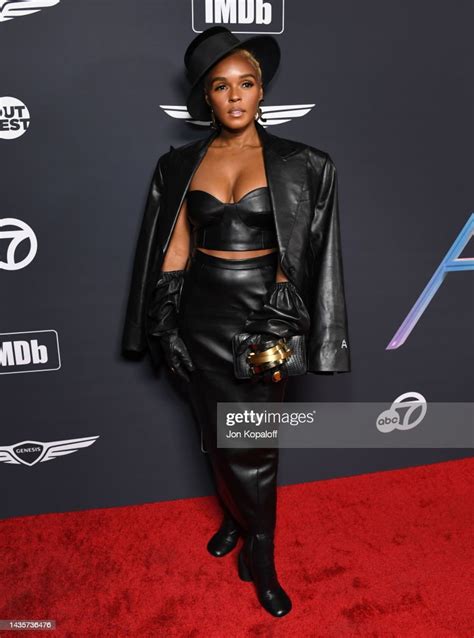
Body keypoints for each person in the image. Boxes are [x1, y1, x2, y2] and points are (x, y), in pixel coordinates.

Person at [122, 26, 351, 618]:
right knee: (214, 432)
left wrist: (273, 323)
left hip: (263, 315)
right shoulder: (178, 164)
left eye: (245, 83)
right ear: (206, 98)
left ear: (261, 90)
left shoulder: (302, 164)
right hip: (199, 311)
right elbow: (173, 247)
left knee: (254, 443)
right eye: (220, 87)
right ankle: (233, 517)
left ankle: (261, 553)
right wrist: (165, 321)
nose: (235, 96)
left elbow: (302, 251)